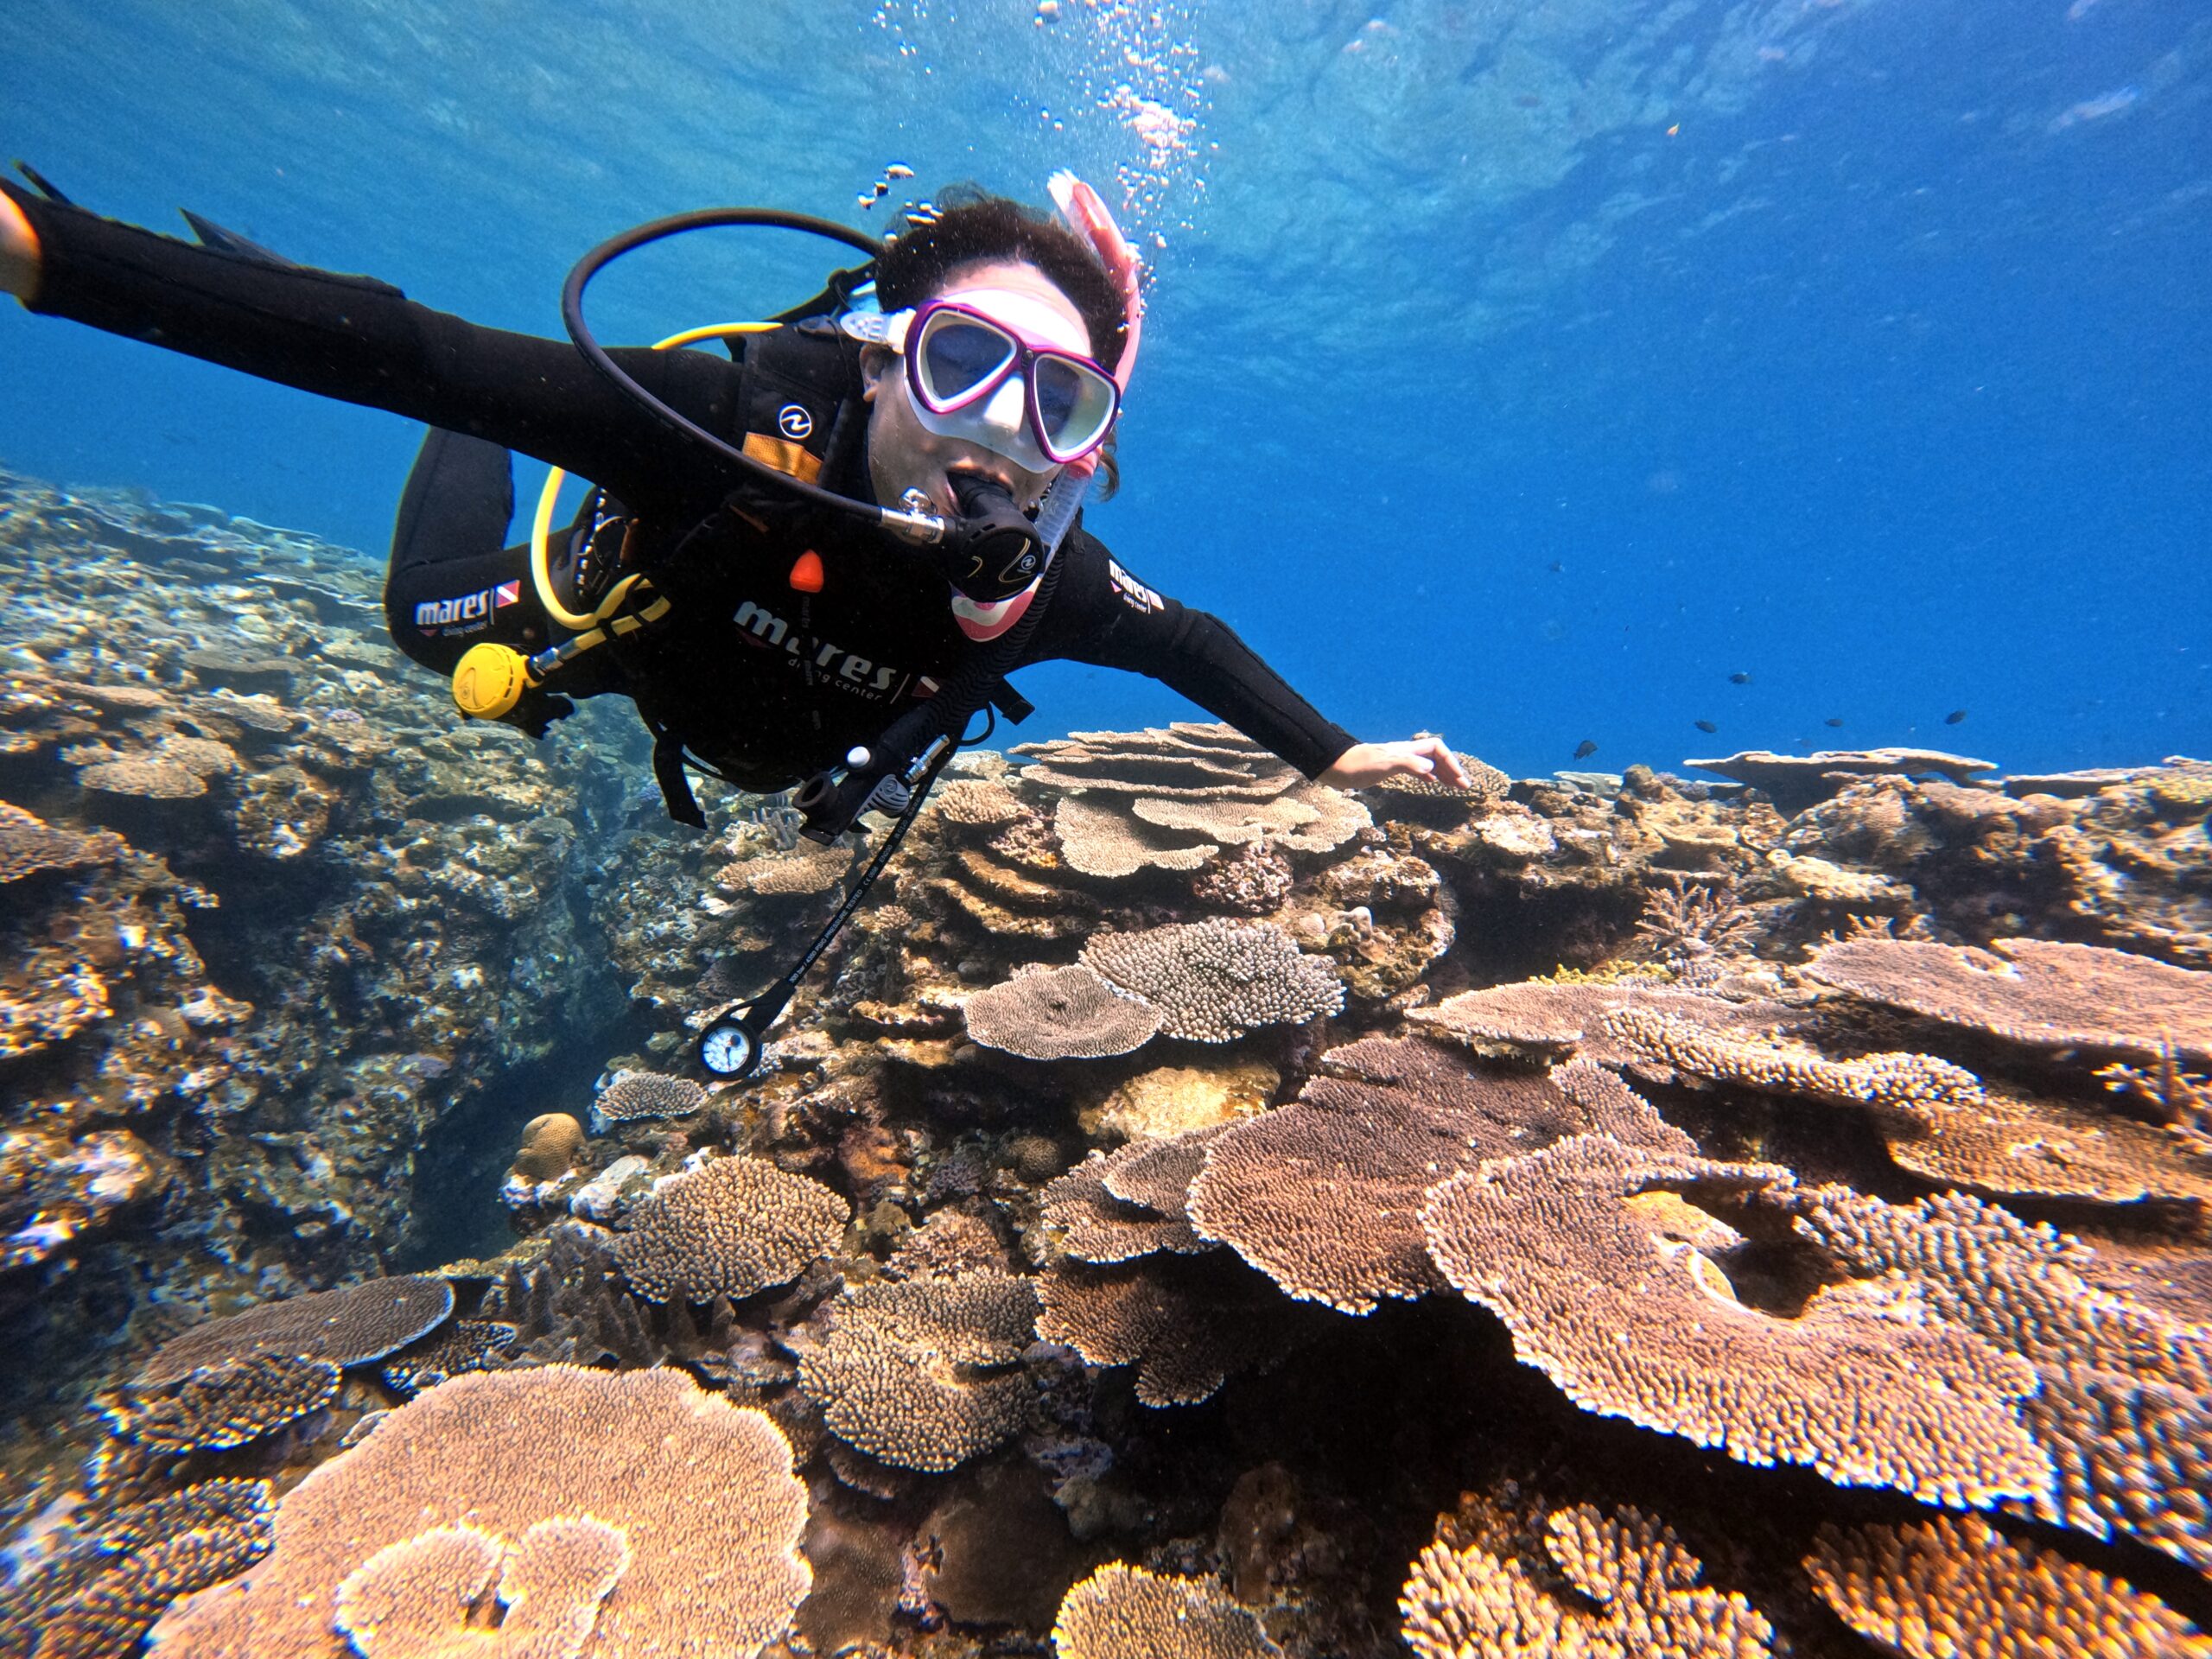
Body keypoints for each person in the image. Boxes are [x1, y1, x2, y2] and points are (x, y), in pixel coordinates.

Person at [0, 174, 1472, 828]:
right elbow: (411, 350)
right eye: (968, 366)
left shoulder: (1041, 580)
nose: (1008, 438)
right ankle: (476, 462)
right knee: (424, 614)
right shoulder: (724, 424)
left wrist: (1336, 759)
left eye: (1062, 403)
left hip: (761, 750)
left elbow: (1191, 642)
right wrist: (51, 258)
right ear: (883, 362)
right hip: (625, 632)